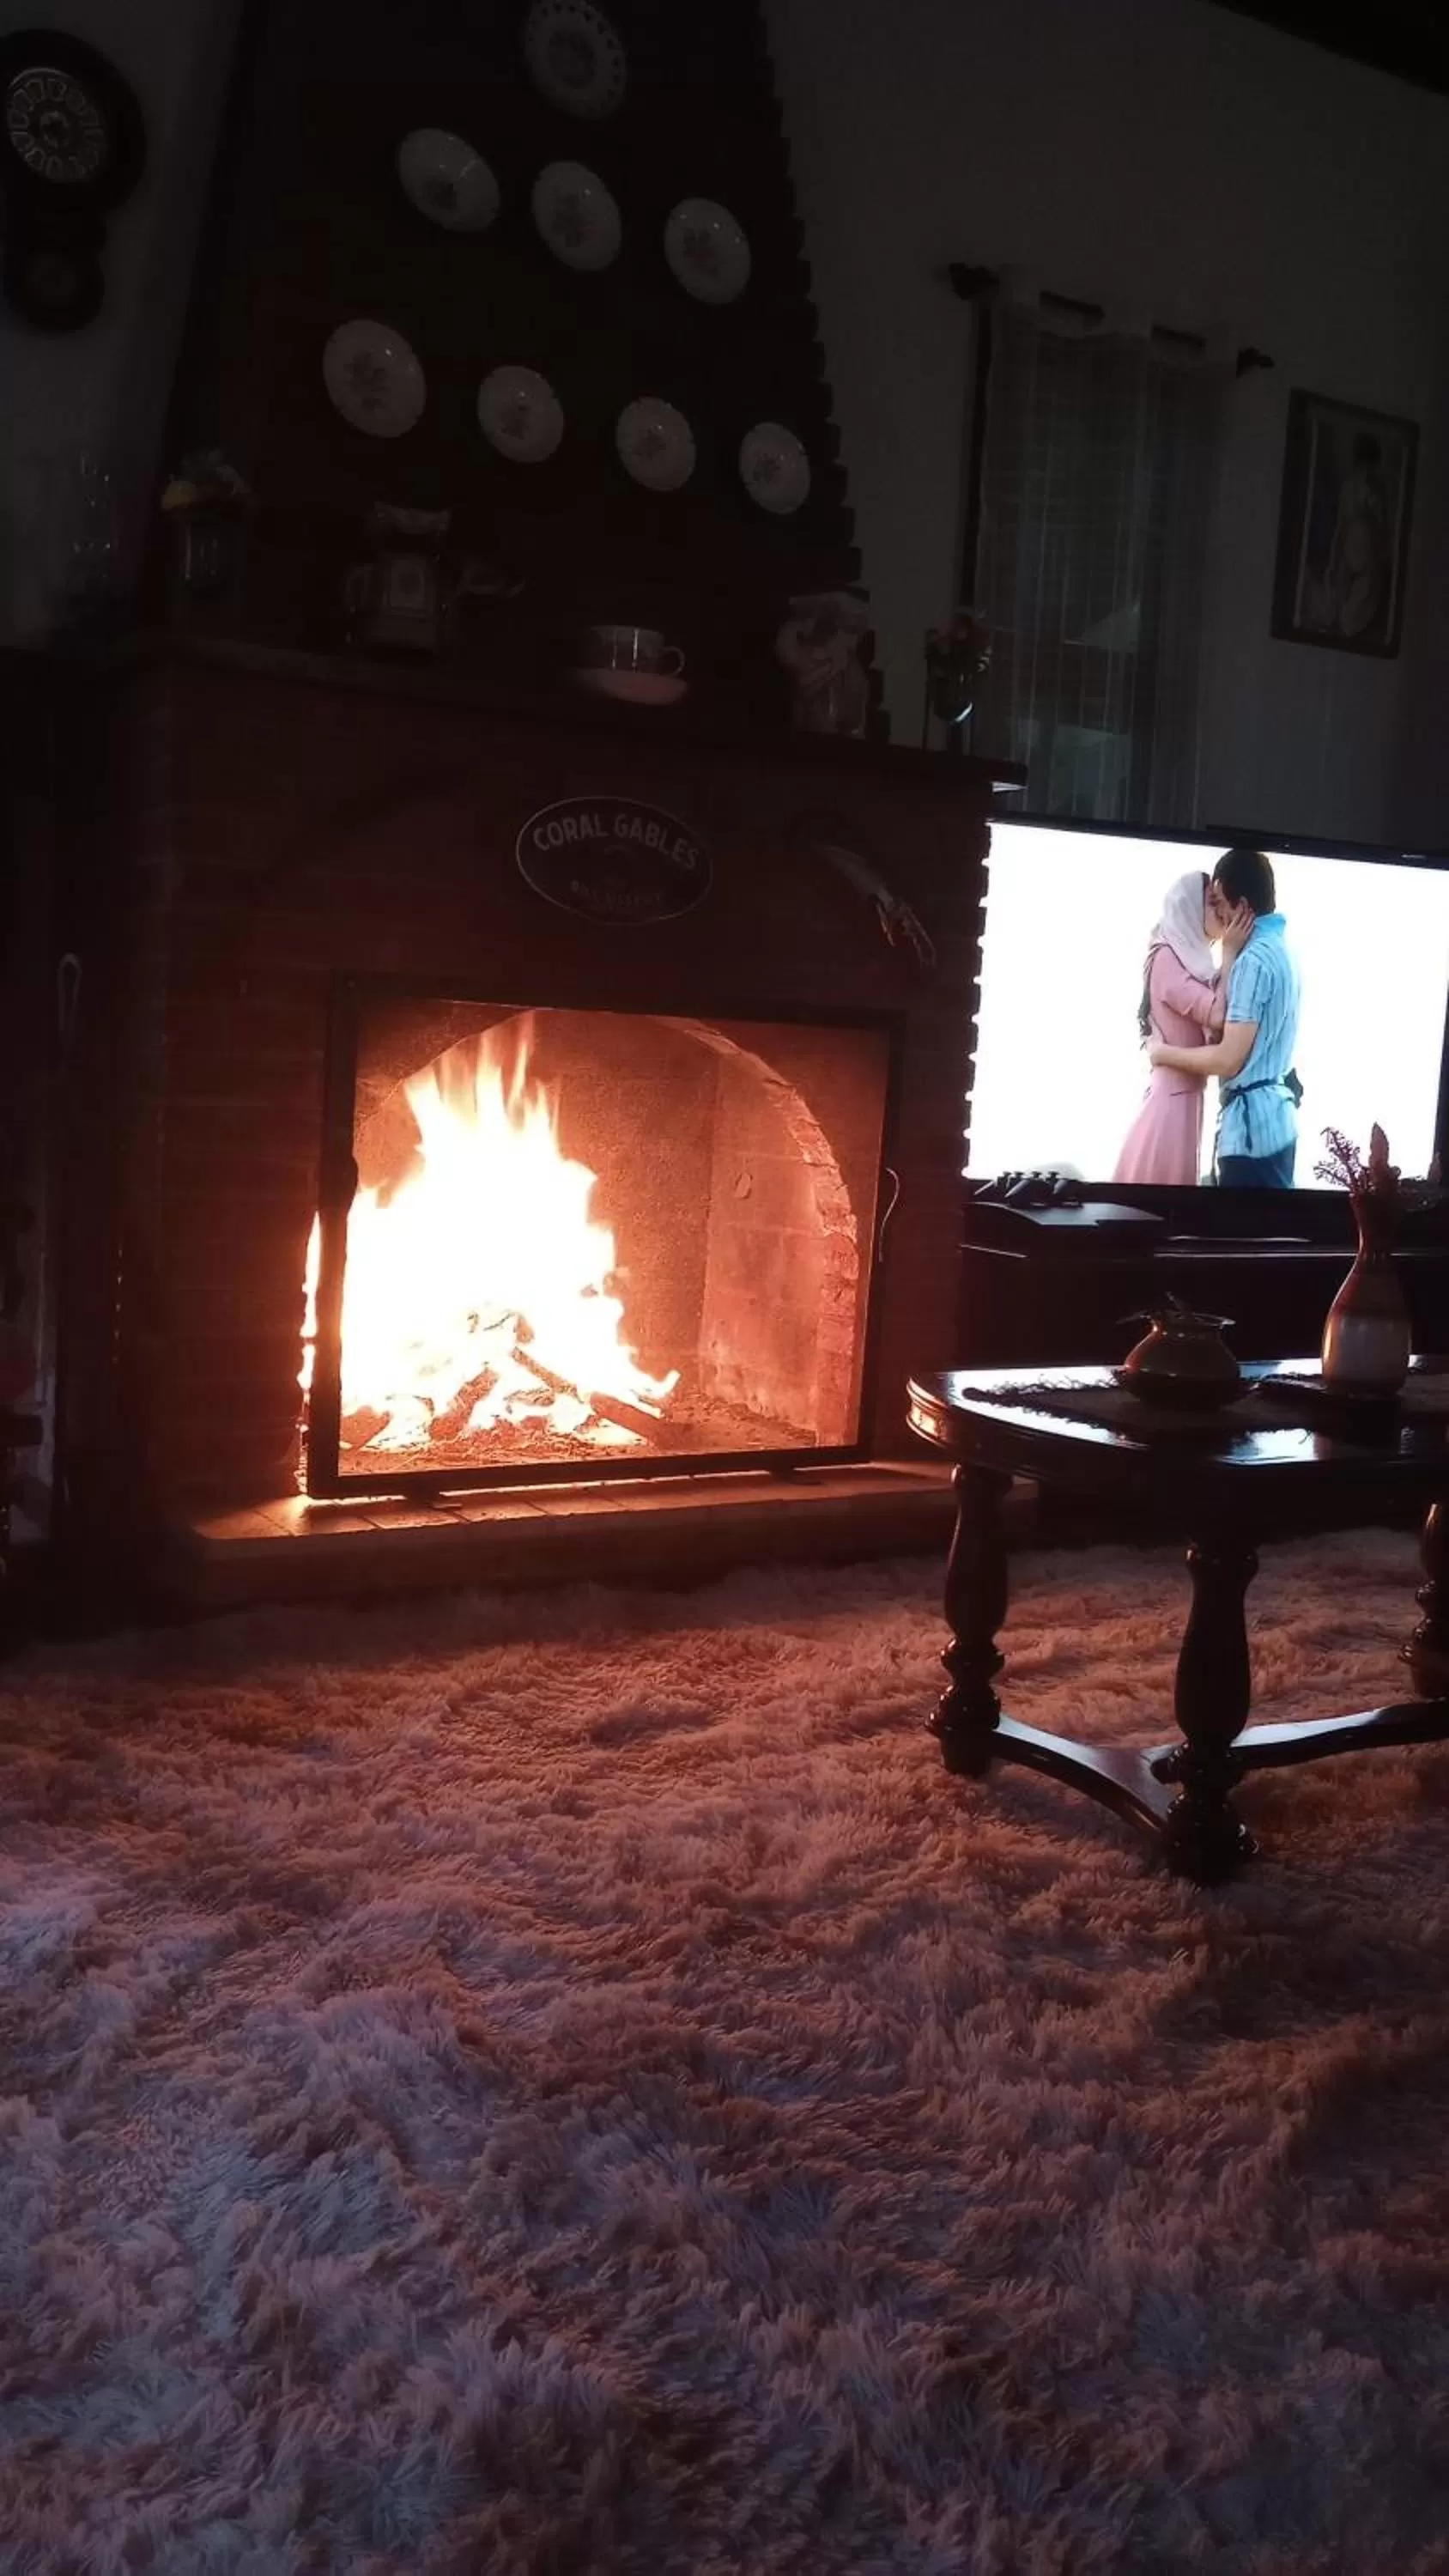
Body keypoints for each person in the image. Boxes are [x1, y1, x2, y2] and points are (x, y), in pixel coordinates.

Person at [1150, 847, 1301, 1188]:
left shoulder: (1252, 961)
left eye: (1219, 900)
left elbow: (1228, 1059)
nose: (1216, 910)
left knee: (1241, 1236)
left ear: (1243, 907)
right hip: (1278, 1121)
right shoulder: (1283, 949)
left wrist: (1163, 1054)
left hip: (1251, 1137)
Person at [1114, 870, 1222, 1185]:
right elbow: (1216, 1014)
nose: (1220, 912)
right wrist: (1231, 951)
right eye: (1211, 903)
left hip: (1183, 1098)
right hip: (1171, 1105)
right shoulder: (1166, 956)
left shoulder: (1188, 957)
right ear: (1189, 907)